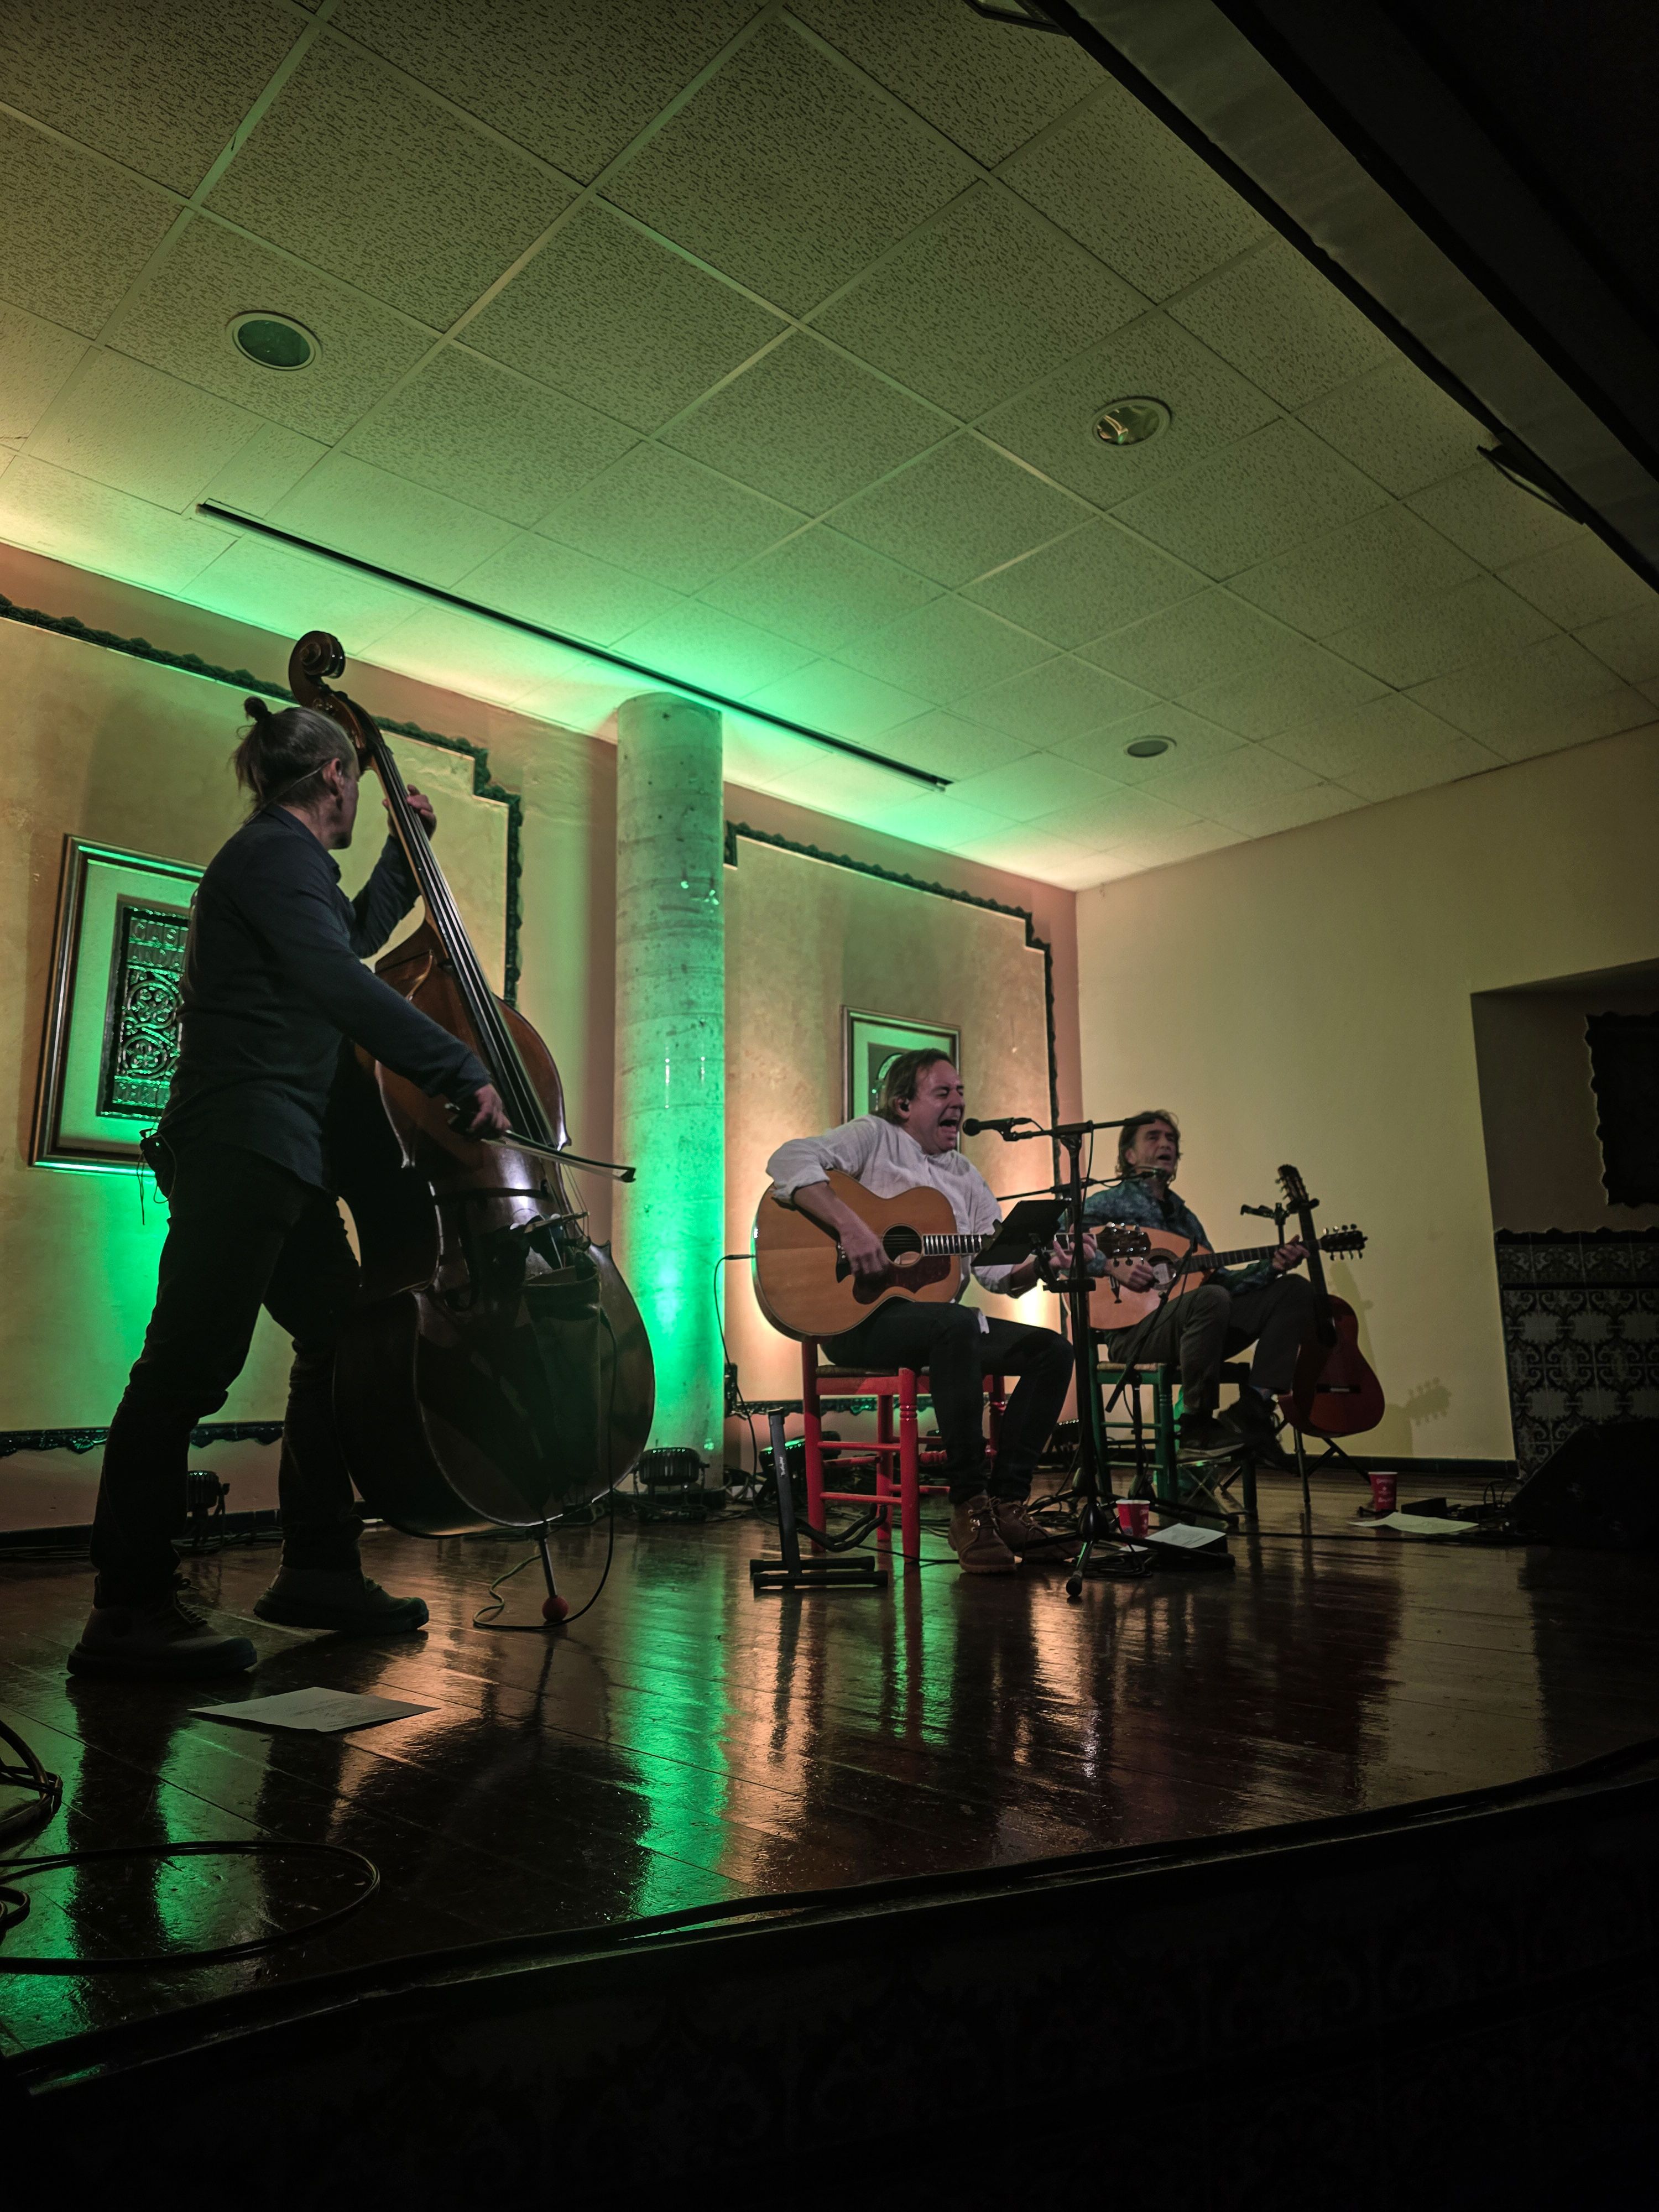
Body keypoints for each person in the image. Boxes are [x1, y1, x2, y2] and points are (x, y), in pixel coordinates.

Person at [70, 698, 510, 1680]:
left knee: (339, 1330)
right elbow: (337, 977)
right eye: (357, 783)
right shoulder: (273, 854)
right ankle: (127, 1606)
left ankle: (317, 1568)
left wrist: (405, 856)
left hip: (279, 1153)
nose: (359, 797)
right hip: (242, 1145)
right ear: (332, 780)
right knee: (185, 1369)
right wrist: (454, 1067)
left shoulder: (286, 863)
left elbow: (344, 937)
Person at [765, 1050, 1092, 1575]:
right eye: (943, 1094)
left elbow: (997, 1269)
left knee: (1052, 1350)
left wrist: (1043, 1264)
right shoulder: (872, 1136)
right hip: (858, 1323)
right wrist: (851, 1227)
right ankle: (969, 1507)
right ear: (903, 1104)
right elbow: (787, 1160)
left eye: (960, 1093)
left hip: (940, 1330)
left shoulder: (965, 1175)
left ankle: (1008, 1506)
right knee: (957, 1325)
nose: (958, 1103)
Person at [1083, 1110, 1315, 1462]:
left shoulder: (1184, 1219)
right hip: (1133, 1333)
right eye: (1153, 1137)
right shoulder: (1110, 1206)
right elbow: (1063, 1244)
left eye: (1172, 1139)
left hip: (1198, 1326)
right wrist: (1112, 1266)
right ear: (1129, 1156)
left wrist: (1272, 1267)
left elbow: (1220, 1282)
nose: (1166, 1144)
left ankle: (1253, 1407)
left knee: (1294, 1289)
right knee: (1210, 1299)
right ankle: (1196, 1426)